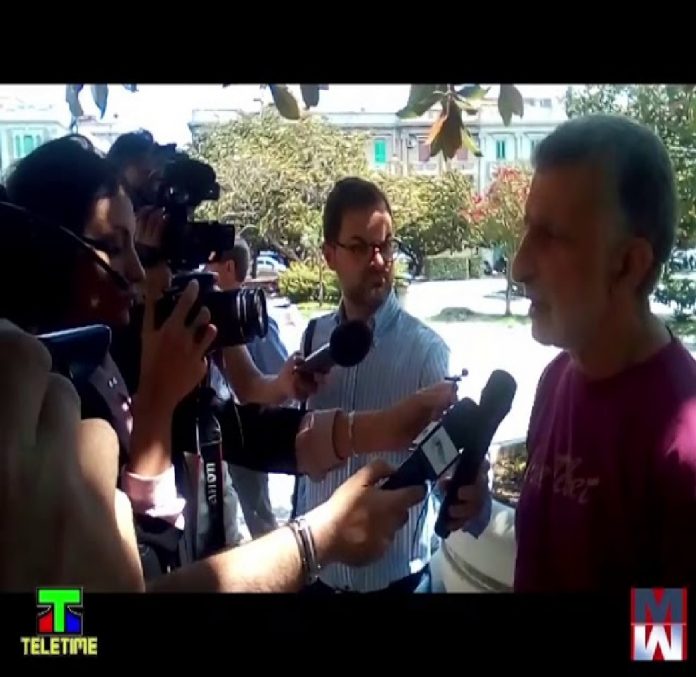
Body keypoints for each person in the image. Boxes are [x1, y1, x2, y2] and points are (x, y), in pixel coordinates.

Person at [0, 136, 467, 589]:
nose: (138, 273)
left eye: (141, 250)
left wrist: (384, 427)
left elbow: (246, 432)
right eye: (115, 246)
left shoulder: (115, 358)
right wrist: (317, 541)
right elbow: (64, 619)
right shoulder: (29, 402)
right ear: (48, 253)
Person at [511, 114, 696, 591]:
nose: (518, 266)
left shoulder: (684, 447)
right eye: (527, 229)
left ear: (629, 264)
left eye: (551, 236)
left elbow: (663, 631)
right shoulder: (555, 379)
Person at [294, 177, 490, 593]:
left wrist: (471, 492)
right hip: (318, 580)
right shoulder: (313, 339)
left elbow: (450, 475)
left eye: (386, 245)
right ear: (329, 255)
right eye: (360, 247)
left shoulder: (428, 352)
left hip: (400, 585)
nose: (379, 260)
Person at [205, 239, 285, 539]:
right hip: (216, 437)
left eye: (210, 264)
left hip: (247, 436)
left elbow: (277, 376)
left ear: (227, 267)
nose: (204, 270)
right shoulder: (208, 319)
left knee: (259, 517)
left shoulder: (255, 321)